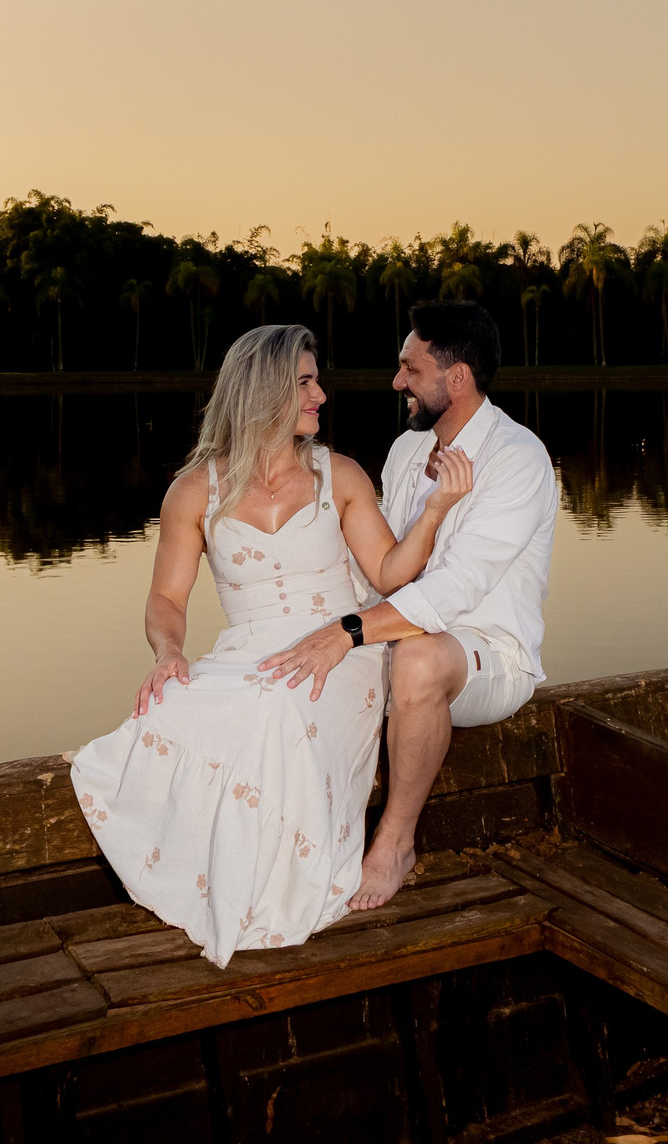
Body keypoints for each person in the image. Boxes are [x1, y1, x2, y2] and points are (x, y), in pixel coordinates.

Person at [68, 324, 473, 967]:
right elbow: (167, 600)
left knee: (277, 706)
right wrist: (169, 652)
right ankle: (224, 883)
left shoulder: (339, 475)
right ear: (263, 392)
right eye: (306, 383)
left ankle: (277, 890)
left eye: (317, 381)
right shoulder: (193, 491)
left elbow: (391, 575)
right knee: (171, 707)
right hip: (245, 650)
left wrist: (434, 510)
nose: (321, 395)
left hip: (339, 650)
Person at [258, 300, 557, 911]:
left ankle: (394, 844)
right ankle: (282, 849)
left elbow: (456, 589)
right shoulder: (404, 452)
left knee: (418, 660)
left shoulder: (516, 458)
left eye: (410, 370)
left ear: (458, 378)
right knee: (285, 671)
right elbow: (382, 574)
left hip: (489, 655)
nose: (397, 382)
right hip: (395, 639)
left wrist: (347, 632)